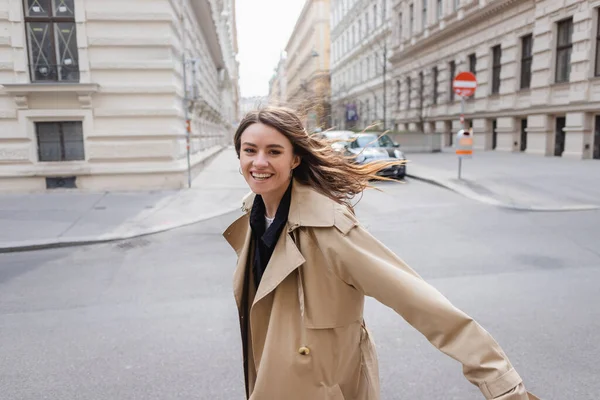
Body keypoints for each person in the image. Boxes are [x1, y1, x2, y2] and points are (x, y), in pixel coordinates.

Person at [223, 107, 539, 400]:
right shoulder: (252, 215)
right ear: (239, 155)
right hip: (268, 380)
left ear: (294, 159)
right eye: (250, 150)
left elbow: (419, 301)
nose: (259, 162)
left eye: (274, 151)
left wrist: (501, 382)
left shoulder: (328, 227)